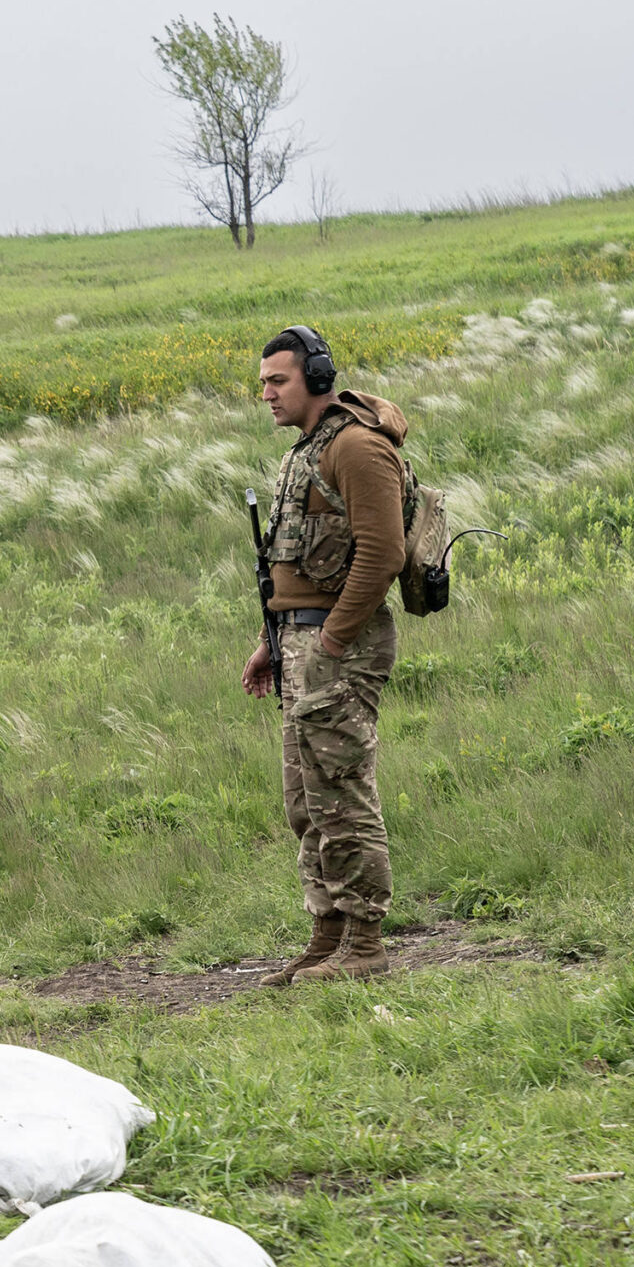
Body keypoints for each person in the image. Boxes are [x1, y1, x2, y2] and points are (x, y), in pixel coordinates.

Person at [242, 325, 409, 984]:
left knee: (342, 791)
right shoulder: (304, 452)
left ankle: (365, 944)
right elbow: (292, 564)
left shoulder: (358, 449)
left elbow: (383, 554)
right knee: (307, 800)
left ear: (316, 375)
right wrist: (270, 641)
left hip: (340, 644)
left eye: (277, 380)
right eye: (262, 383)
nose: (267, 395)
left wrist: (334, 641)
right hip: (300, 642)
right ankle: (328, 935)